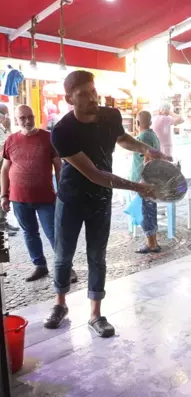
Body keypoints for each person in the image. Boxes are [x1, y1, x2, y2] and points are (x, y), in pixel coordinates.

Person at [45, 70, 169, 337]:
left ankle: (95, 314)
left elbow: (121, 139)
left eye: (93, 91)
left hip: (101, 200)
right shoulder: (62, 131)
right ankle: (60, 304)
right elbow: (95, 174)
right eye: (83, 94)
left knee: (97, 256)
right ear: (69, 98)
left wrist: (146, 149)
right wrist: (138, 187)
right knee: (63, 254)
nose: (92, 98)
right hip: (71, 198)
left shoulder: (110, 116)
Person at [0, 105, 74, 283]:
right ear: (16, 120)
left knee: (54, 233)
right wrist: (4, 195)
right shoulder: (10, 140)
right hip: (18, 198)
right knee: (29, 233)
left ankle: (67, 269)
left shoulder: (47, 138)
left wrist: (63, 189)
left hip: (45, 198)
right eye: (22, 118)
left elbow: (58, 165)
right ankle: (40, 266)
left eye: (30, 117)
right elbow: (4, 169)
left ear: (34, 117)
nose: (27, 121)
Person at [130, 111, 161, 254]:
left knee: (144, 211)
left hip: (144, 181)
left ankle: (151, 243)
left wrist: (142, 181)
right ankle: (153, 241)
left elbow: (147, 159)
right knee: (149, 210)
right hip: (151, 179)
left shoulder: (144, 136)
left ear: (137, 122)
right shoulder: (153, 135)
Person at [0, 104, 19, 237]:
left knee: (5, 193)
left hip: (5, 167)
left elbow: (13, 144)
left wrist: (8, 128)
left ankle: (3, 221)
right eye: (4, 113)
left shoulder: (2, 128)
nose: (6, 116)